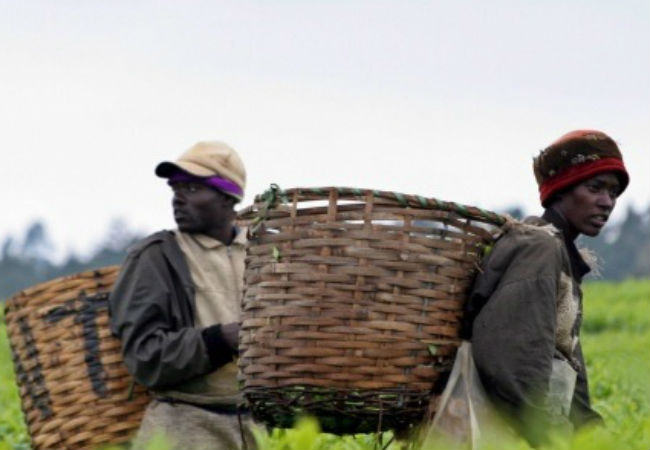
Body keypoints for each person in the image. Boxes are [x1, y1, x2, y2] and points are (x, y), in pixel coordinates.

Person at [462, 129, 629, 447]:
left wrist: (597, 438)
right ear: (561, 190)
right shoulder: (539, 248)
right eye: (595, 188)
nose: (607, 202)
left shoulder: (562, 256)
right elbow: (514, 364)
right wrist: (551, 438)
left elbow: (569, 367)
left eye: (614, 192)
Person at [109, 141, 255, 450]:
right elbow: (145, 356)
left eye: (191, 189)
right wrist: (220, 340)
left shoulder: (263, 255)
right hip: (182, 429)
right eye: (175, 189)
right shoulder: (157, 257)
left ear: (227, 197)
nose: (178, 198)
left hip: (255, 430)